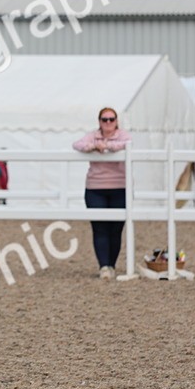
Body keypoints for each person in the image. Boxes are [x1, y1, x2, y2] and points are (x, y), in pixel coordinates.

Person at [72, 107, 132, 279]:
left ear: (116, 121)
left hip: (119, 187)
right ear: (99, 121)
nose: (108, 122)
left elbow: (127, 144)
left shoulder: (123, 135)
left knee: (116, 229)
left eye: (111, 119)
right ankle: (104, 266)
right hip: (95, 188)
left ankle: (112, 264)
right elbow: (77, 144)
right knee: (99, 228)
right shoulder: (93, 136)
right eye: (104, 119)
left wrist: (107, 146)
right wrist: (93, 146)